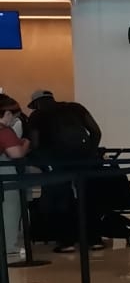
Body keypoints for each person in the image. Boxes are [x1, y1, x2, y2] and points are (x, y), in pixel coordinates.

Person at [26, 88, 103, 248]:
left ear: (36, 103)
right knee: (89, 197)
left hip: (57, 162)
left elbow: (35, 143)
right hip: (84, 160)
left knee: (61, 199)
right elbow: (96, 131)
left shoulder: (37, 116)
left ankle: (66, 241)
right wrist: (90, 153)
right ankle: (93, 239)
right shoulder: (76, 107)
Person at [0, 95, 31, 259]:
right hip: (5, 173)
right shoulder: (4, 130)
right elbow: (17, 153)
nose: (14, 121)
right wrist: (26, 143)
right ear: (7, 113)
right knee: (11, 208)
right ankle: (8, 245)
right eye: (14, 116)